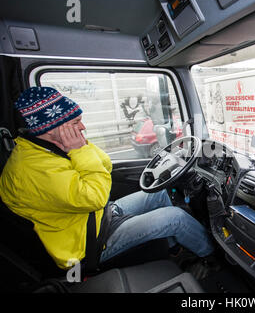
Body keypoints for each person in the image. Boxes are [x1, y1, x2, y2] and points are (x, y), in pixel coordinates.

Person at [0, 86, 214, 272]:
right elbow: (96, 198)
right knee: (175, 217)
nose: (83, 127)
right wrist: (79, 150)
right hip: (87, 244)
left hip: (95, 219)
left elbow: (105, 166)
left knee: (157, 194)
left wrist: (79, 147)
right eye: (76, 122)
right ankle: (212, 258)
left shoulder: (47, 148)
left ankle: (173, 248)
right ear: (54, 127)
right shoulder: (35, 170)